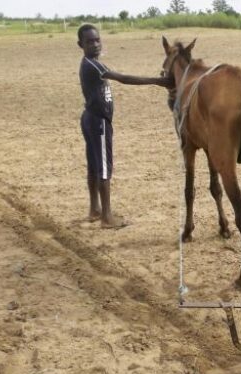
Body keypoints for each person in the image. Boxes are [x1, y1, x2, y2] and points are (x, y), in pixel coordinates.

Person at [77, 24, 171, 228]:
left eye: (97, 40)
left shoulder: (91, 63)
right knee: (103, 168)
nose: (95, 44)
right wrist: (157, 81)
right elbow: (123, 79)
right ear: (80, 45)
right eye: (89, 42)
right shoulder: (93, 65)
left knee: (94, 165)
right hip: (98, 121)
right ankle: (107, 217)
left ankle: (95, 209)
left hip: (91, 118)